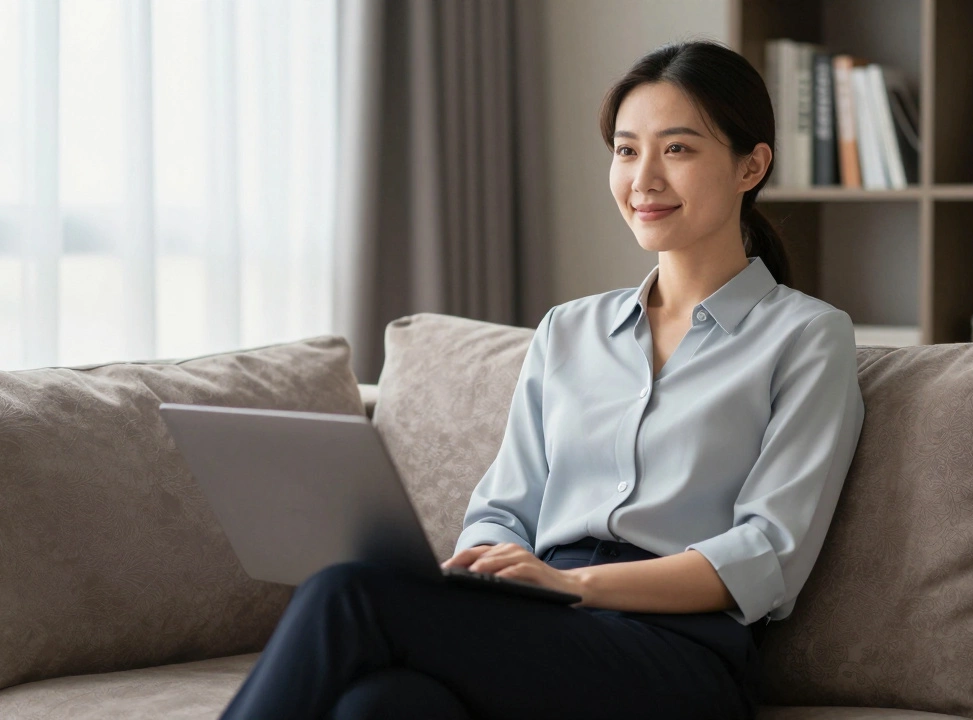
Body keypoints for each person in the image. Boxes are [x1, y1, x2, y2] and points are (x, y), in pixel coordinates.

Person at [218, 39, 865, 720]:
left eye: (677, 149)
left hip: (678, 653)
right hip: (542, 623)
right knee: (382, 705)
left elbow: (766, 554)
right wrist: (483, 575)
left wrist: (572, 584)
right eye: (625, 150)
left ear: (751, 165)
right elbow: (501, 509)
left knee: (346, 592)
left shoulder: (806, 337)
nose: (643, 178)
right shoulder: (568, 331)